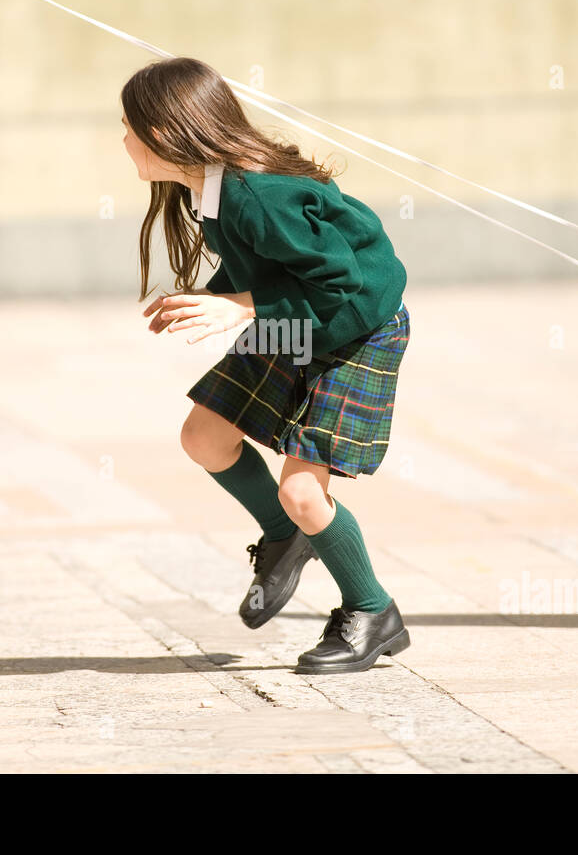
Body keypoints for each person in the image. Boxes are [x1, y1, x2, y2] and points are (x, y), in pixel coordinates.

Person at [122, 56, 412, 673]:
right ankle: (284, 536)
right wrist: (214, 295)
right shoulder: (210, 189)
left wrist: (240, 307)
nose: (121, 139)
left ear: (167, 135)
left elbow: (342, 284)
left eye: (128, 126)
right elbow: (266, 263)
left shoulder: (257, 194)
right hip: (297, 315)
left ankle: (372, 611)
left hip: (355, 328)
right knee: (204, 436)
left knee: (304, 490)